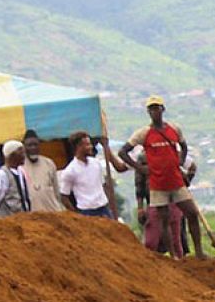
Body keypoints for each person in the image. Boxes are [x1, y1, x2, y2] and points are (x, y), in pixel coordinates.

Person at [123, 97, 206, 259]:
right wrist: (140, 168)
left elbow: (184, 146)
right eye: (152, 109)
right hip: (157, 185)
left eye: (157, 108)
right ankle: (174, 256)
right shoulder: (143, 133)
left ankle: (199, 253)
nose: (155, 111)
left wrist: (179, 162)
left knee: (192, 213)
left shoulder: (174, 129)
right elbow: (123, 152)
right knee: (164, 221)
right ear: (148, 112)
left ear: (163, 109)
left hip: (176, 182)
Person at [61, 131, 127, 218]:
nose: (91, 147)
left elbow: (103, 185)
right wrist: (76, 215)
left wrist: (109, 205)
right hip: (87, 211)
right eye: (87, 145)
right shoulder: (70, 171)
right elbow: (64, 196)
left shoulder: (96, 163)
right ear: (79, 147)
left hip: (103, 209)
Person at [0, 141, 32, 218]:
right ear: (12, 155)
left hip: (23, 220)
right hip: (8, 221)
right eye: (21, 153)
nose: (24, 156)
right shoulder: (1, 175)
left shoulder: (21, 172)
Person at [21, 131, 67, 213]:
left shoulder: (49, 163)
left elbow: (56, 191)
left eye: (35, 144)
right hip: (32, 216)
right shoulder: (20, 166)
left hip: (52, 212)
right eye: (29, 145)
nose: (33, 148)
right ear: (24, 147)